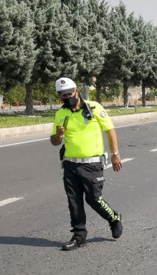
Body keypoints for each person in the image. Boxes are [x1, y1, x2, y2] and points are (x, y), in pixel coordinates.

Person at [50, 77, 123, 251]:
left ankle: (113, 218)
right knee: (73, 201)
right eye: (63, 95)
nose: (67, 97)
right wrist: (58, 135)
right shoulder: (61, 114)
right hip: (70, 164)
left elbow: (110, 130)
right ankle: (79, 236)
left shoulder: (94, 108)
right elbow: (54, 141)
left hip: (92, 164)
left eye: (69, 93)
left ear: (76, 91)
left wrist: (115, 155)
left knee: (94, 199)